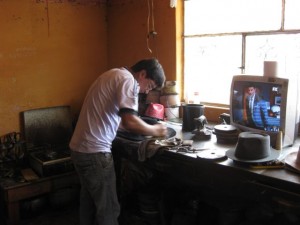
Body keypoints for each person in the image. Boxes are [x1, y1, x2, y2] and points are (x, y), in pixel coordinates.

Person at [69, 58, 168, 225]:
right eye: (149, 86)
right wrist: (156, 130)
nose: (145, 91)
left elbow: (117, 121)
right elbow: (130, 122)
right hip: (95, 153)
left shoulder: (112, 74)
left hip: (79, 150)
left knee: (89, 203)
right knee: (109, 209)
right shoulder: (128, 80)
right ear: (142, 74)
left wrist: (143, 127)